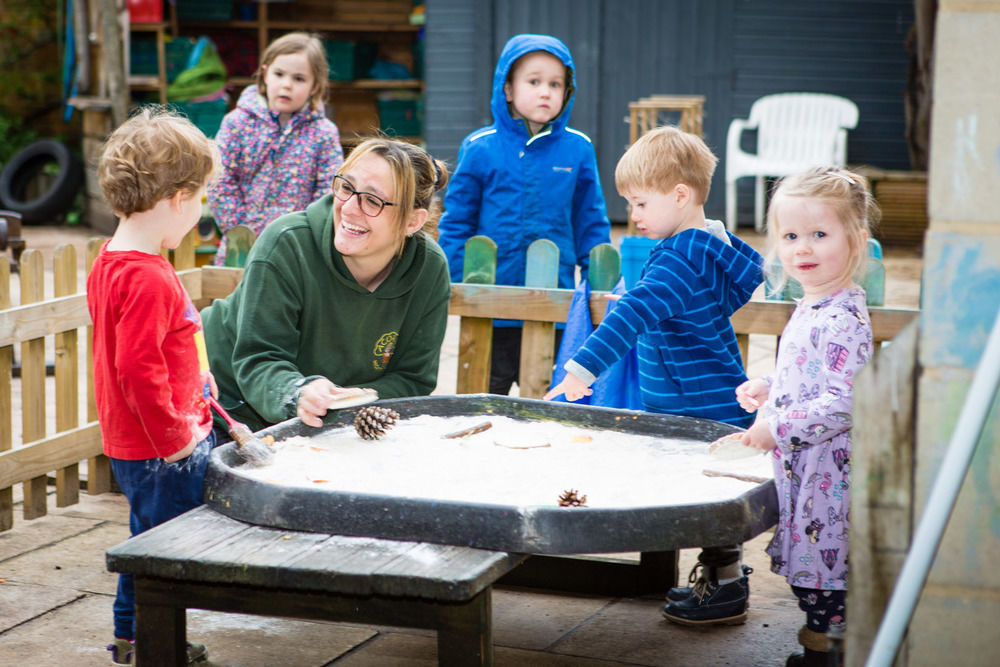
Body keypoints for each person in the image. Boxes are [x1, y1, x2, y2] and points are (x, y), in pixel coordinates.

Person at [544, 125, 763, 625]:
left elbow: (632, 312)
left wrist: (582, 369)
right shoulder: (706, 250)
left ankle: (725, 589)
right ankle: (720, 580)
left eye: (640, 203)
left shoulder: (678, 260)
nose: (633, 215)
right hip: (708, 393)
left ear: (680, 195)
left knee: (710, 497)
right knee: (712, 494)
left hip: (695, 403)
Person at [202, 137, 451, 434]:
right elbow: (259, 359)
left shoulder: (429, 269)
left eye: (372, 200)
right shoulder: (287, 242)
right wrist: (299, 392)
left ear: (413, 221)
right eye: (346, 188)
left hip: (326, 423)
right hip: (222, 405)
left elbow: (414, 378)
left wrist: (354, 398)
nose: (348, 209)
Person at [88, 107, 218, 666]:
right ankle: (154, 642)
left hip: (135, 443)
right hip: (161, 448)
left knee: (145, 541)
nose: (200, 213)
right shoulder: (148, 277)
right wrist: (176, 439)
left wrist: (200, 379)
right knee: (166, 552)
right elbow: (137, 372)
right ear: (176, 198)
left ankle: (131, 636)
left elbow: (150, 352)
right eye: (201, 201)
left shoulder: (111, 263)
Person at [735, 167, 876, 667]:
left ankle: (828, 653)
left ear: (856, 240)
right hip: (807, 469)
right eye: (791, 236)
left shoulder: (841, 316)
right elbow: (811, 380)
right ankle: (823, 641)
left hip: (828, 474)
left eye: (820, 234)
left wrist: (778, 426)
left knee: (823, 576)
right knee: (811, 571)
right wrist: (769, 389)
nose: (803, 248)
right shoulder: (814, 304)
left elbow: (845, 400)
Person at [437, 33, 611, 395]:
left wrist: (599, 283)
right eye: (534, 82)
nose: (545, 91)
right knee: (487, 391)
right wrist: (456, 281)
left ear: (568, 91)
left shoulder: (577, 148)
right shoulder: (480, 146)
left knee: (544, 393)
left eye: (555, 84)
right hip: (490, 301)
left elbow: (590, 219)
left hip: (554, 299)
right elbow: (457, 220)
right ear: (508, 89)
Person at [207, 31, 344, 266]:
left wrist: (303, 233)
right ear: (265, 74)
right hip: (240, 250)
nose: (287, 85)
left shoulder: (324, 133)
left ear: (314, 86)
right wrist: (240, 231)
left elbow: (329, 191)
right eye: (279, 74)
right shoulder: (237, 122)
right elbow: (219, 179)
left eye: (299, 79)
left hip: (298, 251)